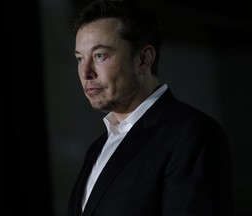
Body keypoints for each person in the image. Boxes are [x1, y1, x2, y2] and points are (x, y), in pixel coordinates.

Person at [68, 0, 233, 215]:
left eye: (100, 56)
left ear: (143, 60)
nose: (85, 72)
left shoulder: (192, 134)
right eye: (80, 59)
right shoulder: (97, 148)